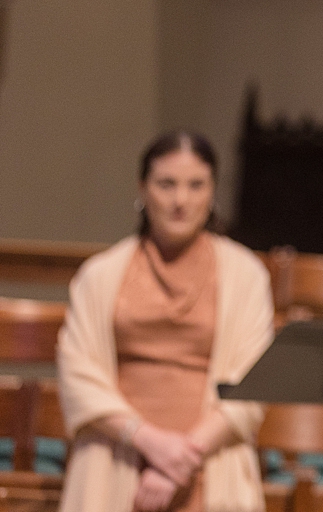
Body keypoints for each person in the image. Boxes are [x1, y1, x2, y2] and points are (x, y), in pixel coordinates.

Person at [56, 132, 274, 512]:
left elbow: (253, 384)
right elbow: (78, 374)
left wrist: (180, 461)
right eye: (166, 184)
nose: (180, 201)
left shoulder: (246, 274)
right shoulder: (100, 274)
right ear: (143, 188)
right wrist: (150, 442)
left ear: (212, 190)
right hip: (115, 457)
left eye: (196, 185)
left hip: (210, 462)